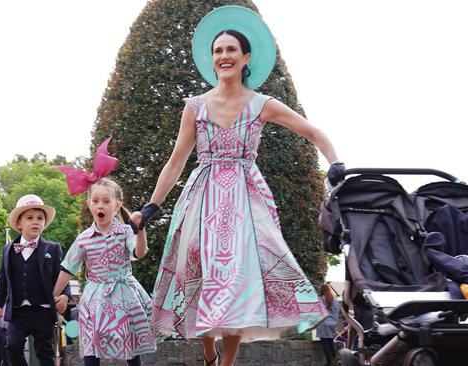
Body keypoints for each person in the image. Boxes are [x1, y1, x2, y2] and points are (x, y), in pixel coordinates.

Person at [129, 6, 343, 366]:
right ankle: (208, 350)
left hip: (246, 198)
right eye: (218, 51)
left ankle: (224, 364)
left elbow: (313, 132)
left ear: (246, 58)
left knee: (236, 281)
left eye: (231, 50)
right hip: (203, 198)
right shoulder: (195, 107)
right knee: (201, 271)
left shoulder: (261, 104)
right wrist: (152, 206)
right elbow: (177, 160)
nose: (224, 56)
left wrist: (335, 163)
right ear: (211, 61)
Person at [53, 138, 156, 366]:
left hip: (124, 293)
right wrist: (53, 294)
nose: (100, 206)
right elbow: (67, 267)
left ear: (116, 205)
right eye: (96, 201)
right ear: (90, 204)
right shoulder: (84, 239)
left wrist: (140, 231)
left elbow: (139, 253)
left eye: (106, 201)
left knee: (131, 344)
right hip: (95, 296)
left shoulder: (125, 232)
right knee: (92, 343)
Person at [0, 194, 72, 366]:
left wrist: (65, 295)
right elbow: (4, 277)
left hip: (43, 310)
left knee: (45, 352)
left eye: (40, 218)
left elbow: (61, 274)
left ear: (44, 223)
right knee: (12, 346)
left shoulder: (53, 248)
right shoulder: (9, 249)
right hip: (18, 311)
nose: (35, 221)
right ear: (19, 223)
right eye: (30, 218)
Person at [316, 283, 340, 366]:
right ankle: (333, 361)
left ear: (322, 290)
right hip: (332, 324)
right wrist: (334, 323)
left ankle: (329, 362)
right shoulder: (335, 301)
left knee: (325, 344)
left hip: (323, 324)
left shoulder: (320, 299)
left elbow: (317, 312)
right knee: (331, 343)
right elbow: (337, 314)